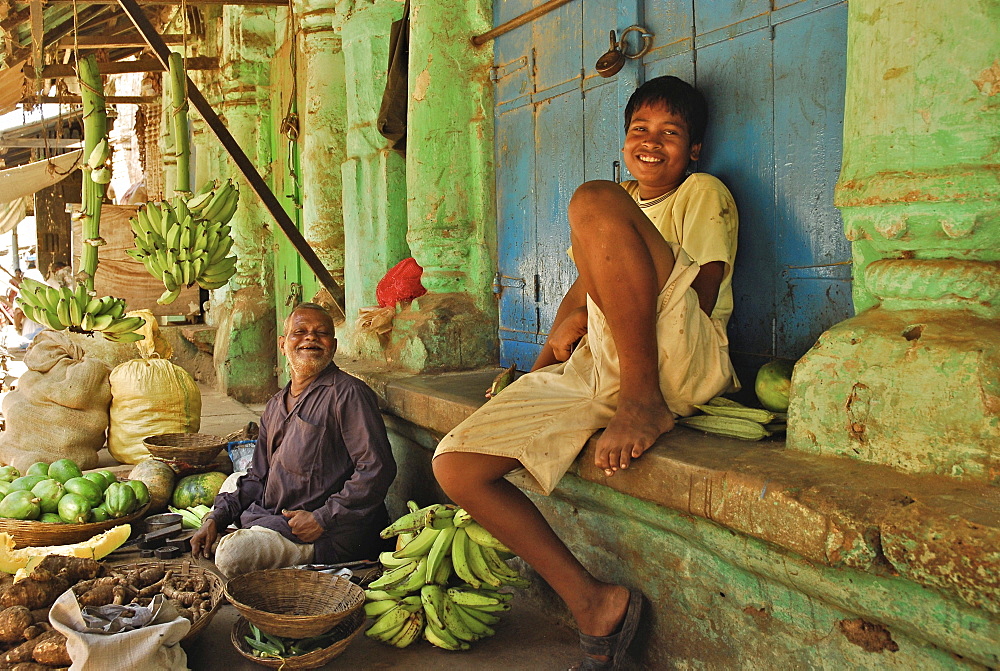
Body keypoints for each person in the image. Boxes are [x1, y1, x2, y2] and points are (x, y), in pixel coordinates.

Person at [432, 76, 739, 670]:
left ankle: (644, 404)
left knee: (593, 198)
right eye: (640, 131)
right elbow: (581, 302)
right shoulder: (615, 210)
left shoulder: (701, 192)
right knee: (456, 466)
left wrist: (634, 378)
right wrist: (541, 366)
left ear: (695, 149)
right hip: (601, 366)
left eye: (670, 133)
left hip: (676, 357)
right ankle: (593, 602)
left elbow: (702, 293)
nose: (652, 143)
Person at [191, 302, 397, 577]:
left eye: (321, 333)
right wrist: (215, 518)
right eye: (299, 332)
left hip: (327, 533)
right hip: (278, 513)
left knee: (232, 555)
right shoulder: (276, 404)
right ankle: (248, 529)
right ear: (283, 344)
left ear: (333, 347)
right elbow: (257, 476)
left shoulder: (348, 394)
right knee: (231, 484)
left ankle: (281, 547)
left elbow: (377, 469)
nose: (310, 337)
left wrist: (322, 518)